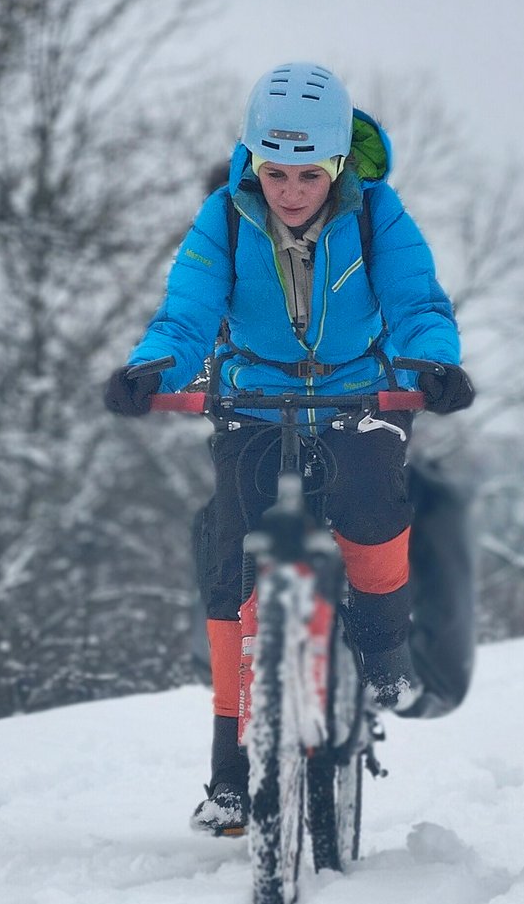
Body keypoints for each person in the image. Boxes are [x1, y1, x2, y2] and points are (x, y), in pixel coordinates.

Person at [104, 61, 474, 835]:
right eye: (275, 172)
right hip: (254, 397)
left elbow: (414, 302)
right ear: (254, 162)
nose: (292, 190)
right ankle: (230, 774)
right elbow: (188, 313)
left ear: (339, 164)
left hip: (359, 393)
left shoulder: (378, 215)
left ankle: (379, 651)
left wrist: (433, 361)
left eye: (310, 173)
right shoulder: (226, 215)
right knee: (232, 548)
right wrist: (151, 368)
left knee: (371, 503)